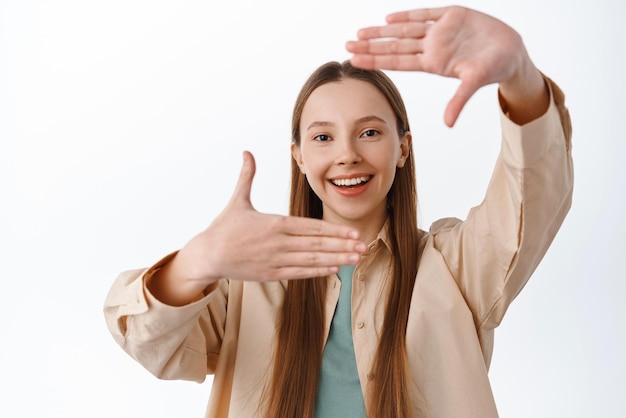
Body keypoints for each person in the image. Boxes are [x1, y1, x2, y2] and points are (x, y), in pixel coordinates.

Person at [104, 5, 573, 418]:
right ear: (300, 157)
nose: (347, 155)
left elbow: (527, 204)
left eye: (369, 132)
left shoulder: (452, 265)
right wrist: (199, 260)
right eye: (323, 137)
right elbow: (149, 342)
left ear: (403, 148)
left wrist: (520, 77)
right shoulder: (247, 283)